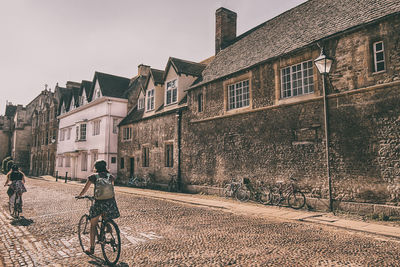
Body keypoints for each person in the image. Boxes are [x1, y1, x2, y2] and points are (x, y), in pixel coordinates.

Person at [77, 159, 120, 255]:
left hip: (99, 203)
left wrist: (80, 195)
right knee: (105, 216)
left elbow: (85, 189)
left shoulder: (93, 177)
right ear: (105, 167)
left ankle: (91, 249)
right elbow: (111, 188)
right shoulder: (110, 177)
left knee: (93, 225)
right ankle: (107, 225)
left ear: (96, 168)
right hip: (110, 203)